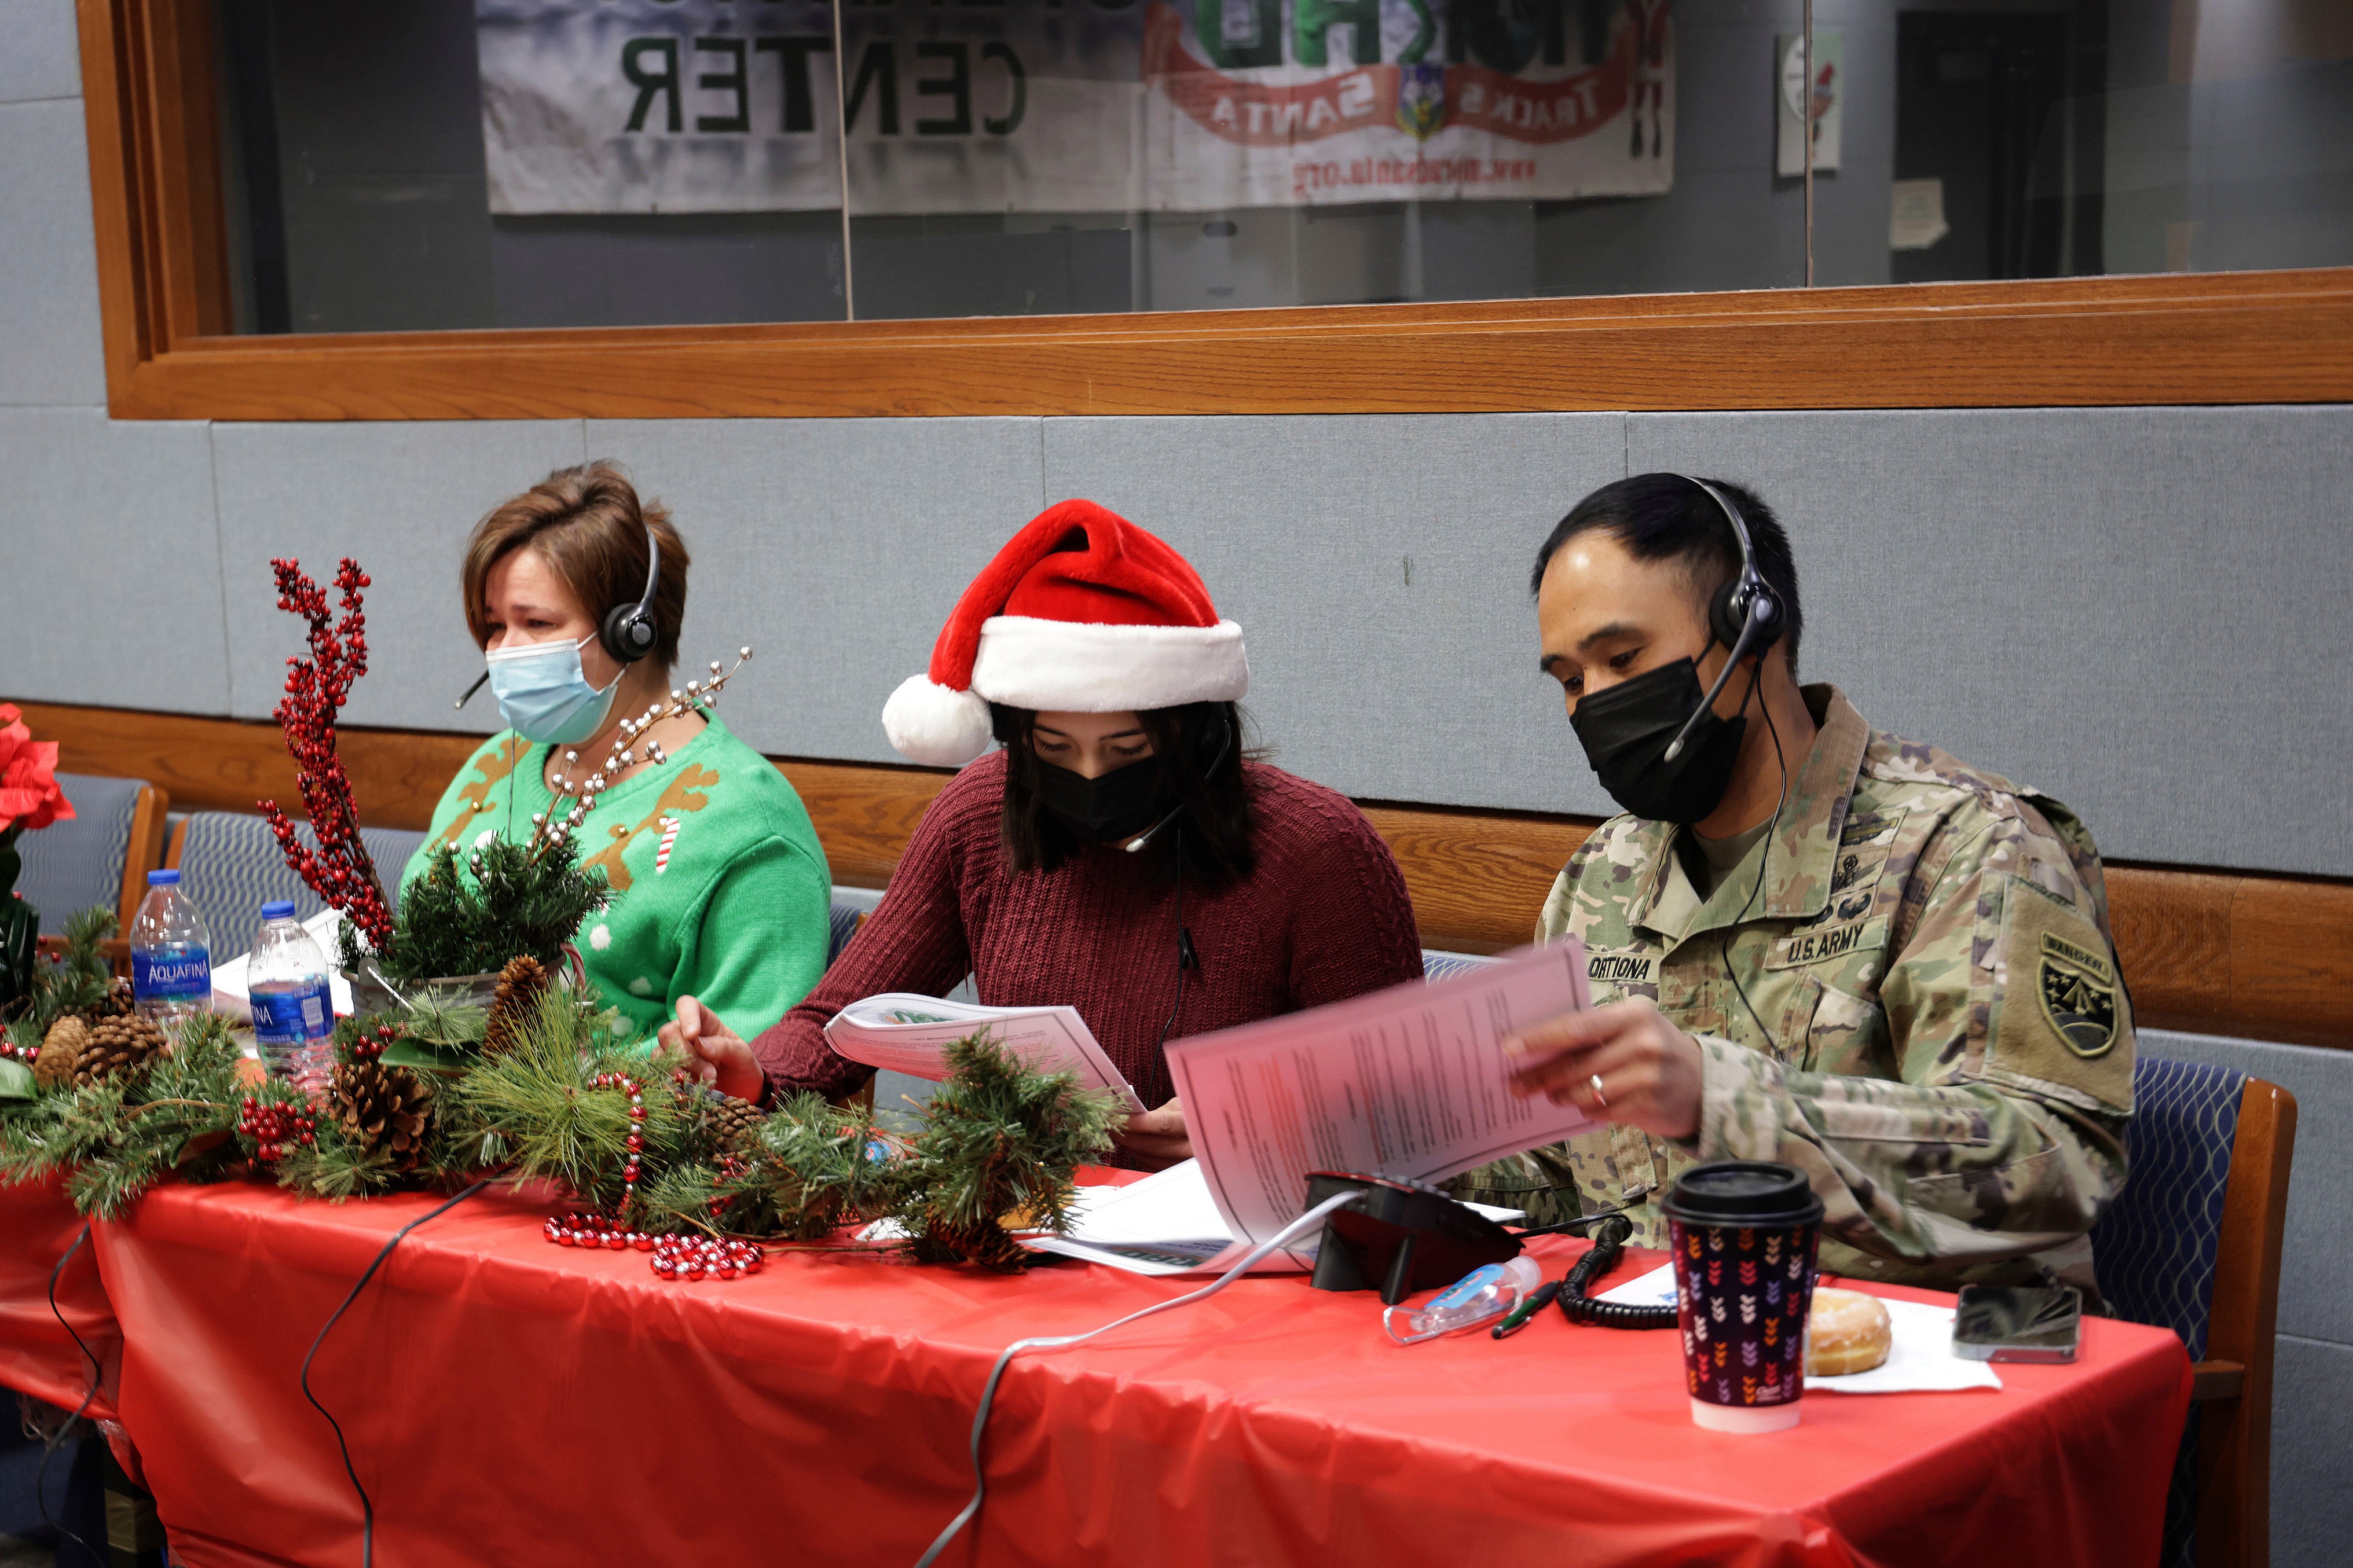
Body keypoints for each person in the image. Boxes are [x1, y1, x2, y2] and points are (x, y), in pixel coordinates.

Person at [1450, 473, 2133, 1294]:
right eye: (1569, 679)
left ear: (1751, 631)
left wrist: (1721, 1100)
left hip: (1947, 1363)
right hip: (1663, 1354)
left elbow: (2049, 1163)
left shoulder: (1969, 844)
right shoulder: (1603, 877)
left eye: (1623, 659)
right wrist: (1400, 1160)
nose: (1594, 704)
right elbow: (1562, 1179)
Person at [662, 498, 1425, 1169]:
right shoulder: (981, 815)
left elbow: (1414, 1106)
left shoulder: (1319, 851)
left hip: (1246, 1263)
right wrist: (749, 1075)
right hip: (1030, 1226)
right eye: (1054, 751)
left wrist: (1263, 1124)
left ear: (1199, 736)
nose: (1090, 775)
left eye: (1128, 751)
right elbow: (837, 1021)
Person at [404, 462, 832, 1041]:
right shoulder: (494, 765)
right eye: (493, 626)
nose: (504, 652)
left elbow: (751, 1068)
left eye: (534, 622)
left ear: (630, 631)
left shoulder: (748, 826)